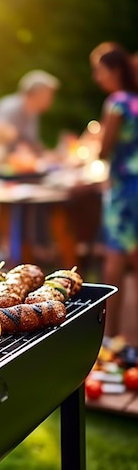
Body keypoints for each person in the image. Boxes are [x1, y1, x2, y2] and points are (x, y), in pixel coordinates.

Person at [0, 70, 60, 264]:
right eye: (49, 94)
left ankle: (31, 251)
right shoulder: (11, 106)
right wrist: (14, 140)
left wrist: (46, 153)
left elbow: (31, 143)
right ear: (37, 93)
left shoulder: (32, 113)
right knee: (0, 216)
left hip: (19, 173)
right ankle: (0, 255)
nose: (51, 100)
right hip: (2, 173)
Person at [90, 42, 138, 341]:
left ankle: (109, 339)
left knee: (114, 264)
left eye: (99, 69)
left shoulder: (117, 103)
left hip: (123, 190)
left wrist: (96, 139)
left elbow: (103, 151)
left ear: (115, 70)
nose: (97, 77)